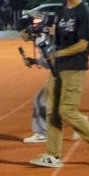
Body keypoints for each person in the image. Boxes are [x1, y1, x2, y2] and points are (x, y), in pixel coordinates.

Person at [30, 0, 89, 168]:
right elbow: (57, 36)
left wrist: (58, 53)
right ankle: (53, 155)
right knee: (52, 112)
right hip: (57, 67)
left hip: (74, 66)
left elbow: (83, 44)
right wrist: (40, 35)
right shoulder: (62, 10)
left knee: (67, 110)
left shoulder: (83, 12)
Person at [18, 11, 57, 145]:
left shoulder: (41, 39)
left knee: (40, 100)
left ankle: (42, 133)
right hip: (63, 70)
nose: (21, 35)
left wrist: (35, 61)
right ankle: (80, 123)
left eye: (22, 31)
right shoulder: (43, 36)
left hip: (60, 73)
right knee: (61, 105)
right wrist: (34, 61)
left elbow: (50, 61)